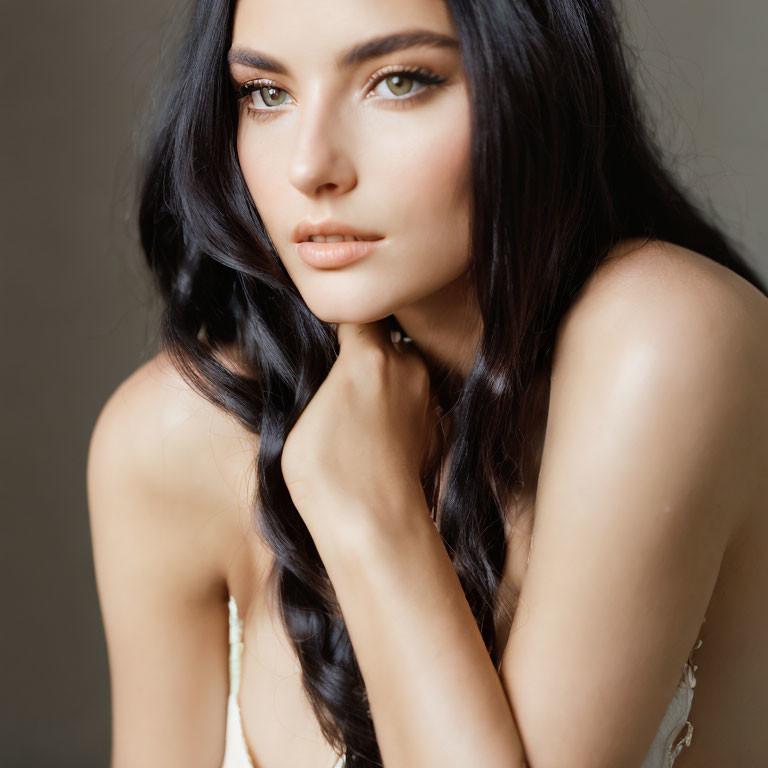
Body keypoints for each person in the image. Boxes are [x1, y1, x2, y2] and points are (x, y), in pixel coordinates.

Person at [86, 0, 768, 766]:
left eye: (400, 80)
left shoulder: (665, 341)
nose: (311, 166)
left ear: (532, 79)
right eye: (266, 93)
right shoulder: (175, 435)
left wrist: (367, 514)